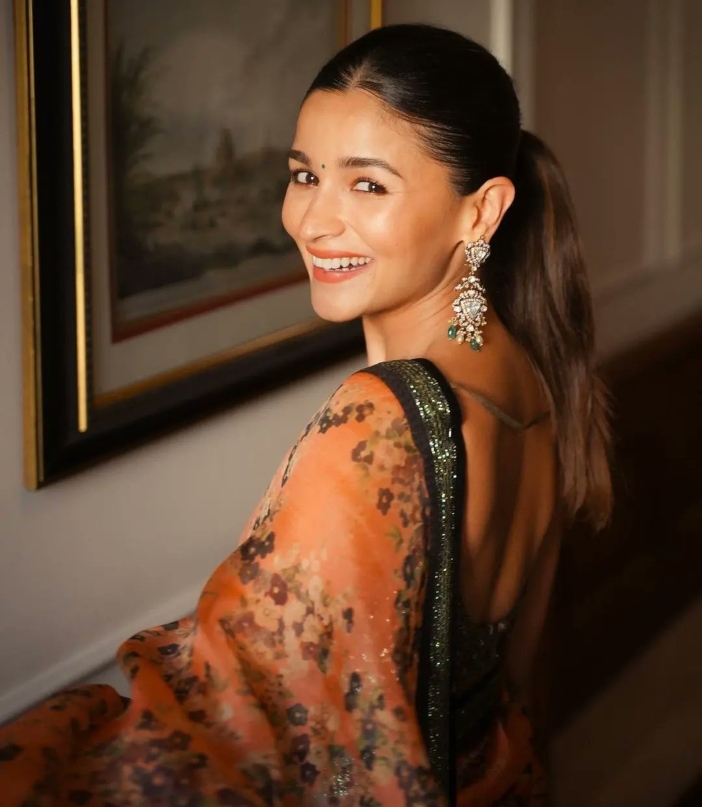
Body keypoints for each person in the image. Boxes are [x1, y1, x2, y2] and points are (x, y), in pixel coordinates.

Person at [0, 23, 611, 806]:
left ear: (481, 211)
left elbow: (250, 740)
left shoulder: (377, 423)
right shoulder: (533, 380)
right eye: (304, 174)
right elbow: (511, 692)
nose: (312, 220)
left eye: (368, 185)